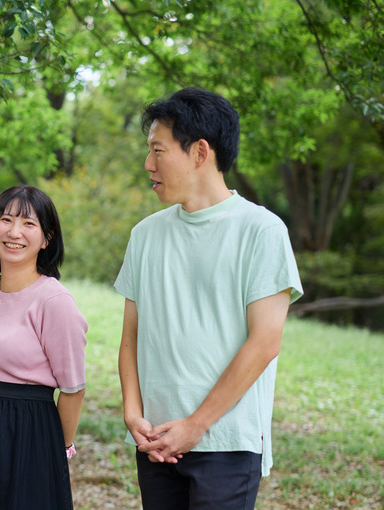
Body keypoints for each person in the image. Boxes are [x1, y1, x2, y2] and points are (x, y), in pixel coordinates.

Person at [116, 87, 303, 509]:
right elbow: (131, 335)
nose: (149, 165)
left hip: (226, 440)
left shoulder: (262, 231)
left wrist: (196, 425)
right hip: (156, 437)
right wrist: (133, 414)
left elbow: (265, 342)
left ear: (200, 153)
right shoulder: (145, 235)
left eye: (158, 151)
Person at [0, 185, 87, 510]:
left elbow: (73, 389)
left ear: (47, 238)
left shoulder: (55, 301)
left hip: (32, 431)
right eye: (5, 220)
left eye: (28, 224)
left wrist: (53, 450)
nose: (14, 232)